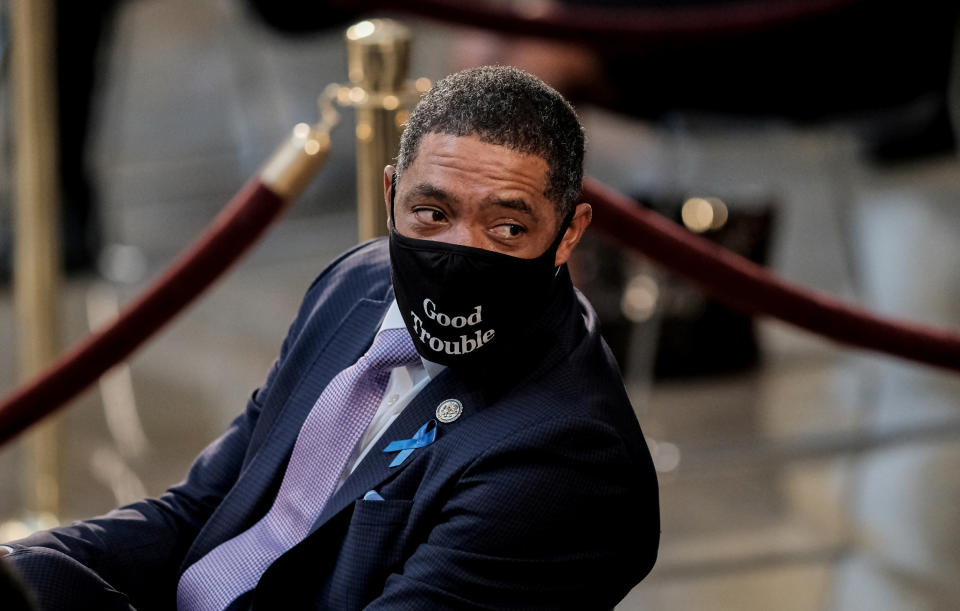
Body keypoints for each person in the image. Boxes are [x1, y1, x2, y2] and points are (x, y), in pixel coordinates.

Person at [1, 66, 659, 610]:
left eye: (506, 228)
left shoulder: (564, 455)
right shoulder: (360, 285)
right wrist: (29, 567)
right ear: (391, 194)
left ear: (569, 233)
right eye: (432, 214)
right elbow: (204, 506)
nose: (460, 253)